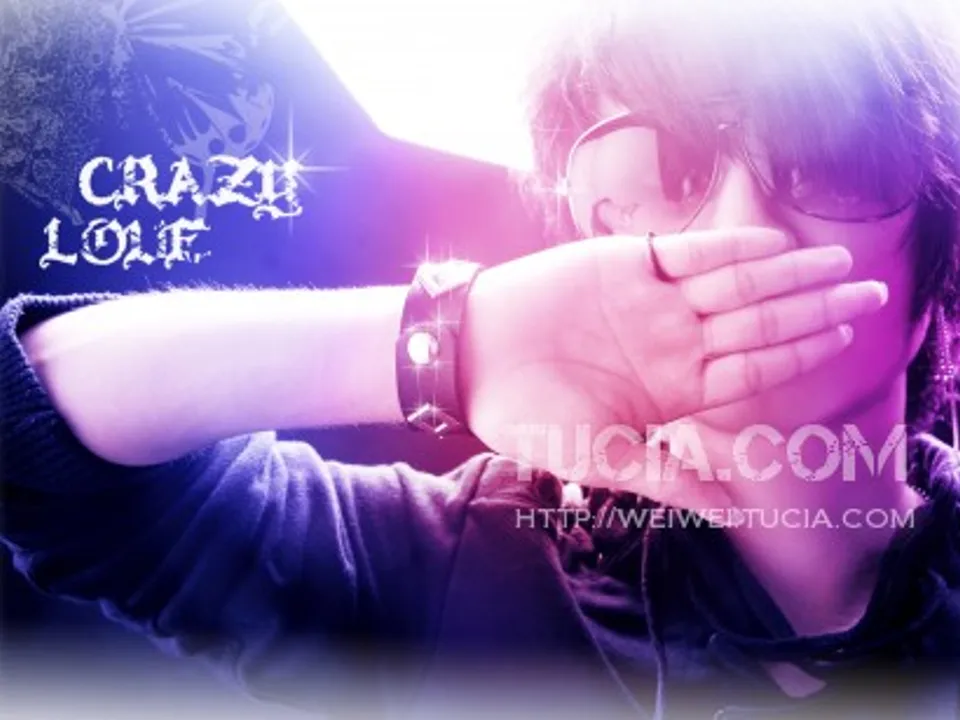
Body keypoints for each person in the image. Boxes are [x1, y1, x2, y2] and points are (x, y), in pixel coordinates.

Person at [4, 0, 960, 717]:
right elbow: (28, 433)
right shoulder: (447, 565)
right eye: (660, 167)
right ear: (589, 236)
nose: (743, 232)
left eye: (834, 156)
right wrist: (445, 340)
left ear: (935, 251)